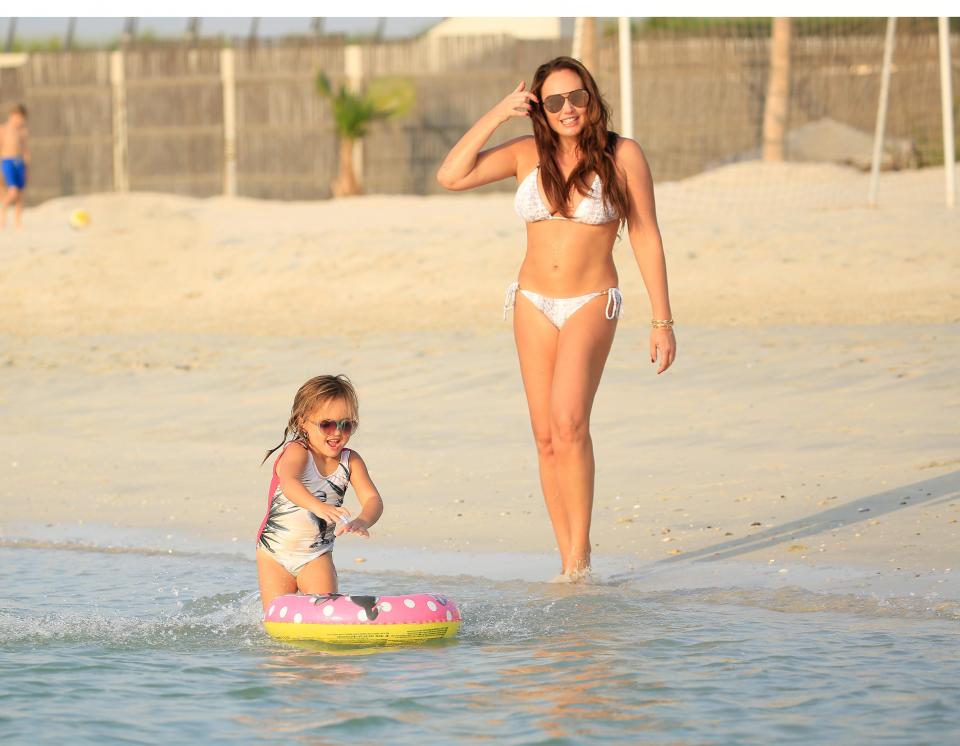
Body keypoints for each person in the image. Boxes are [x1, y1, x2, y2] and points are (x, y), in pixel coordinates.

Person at [436, 56, 676, 580]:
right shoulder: (527, 153)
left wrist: (662, 320)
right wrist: (499, 113)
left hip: (593, 300)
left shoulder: (622, 154)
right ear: (539, 109)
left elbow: (644, 234)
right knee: (545, 435)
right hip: (532, 302)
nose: (568, 109)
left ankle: (581, 556)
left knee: (570, 422)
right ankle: (566, 561)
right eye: (554, 101)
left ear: (592, 98)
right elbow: (451, 175)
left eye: (577, 97)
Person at [256, 374, 383, 611]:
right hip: (275, 553)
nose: (337, 433)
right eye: (327, 424)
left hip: (316, 555)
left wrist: (363, 520)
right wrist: (320, 507)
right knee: (277, 623)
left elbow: (373, 498)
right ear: (303, 422)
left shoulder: (351, 460)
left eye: (346, 425)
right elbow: (289, 483)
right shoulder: (297, 451)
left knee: (324, 613)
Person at [1, 103, 30, 230]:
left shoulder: (23, 131)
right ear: (12, 115)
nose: (20, 121)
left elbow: (25, 149)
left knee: (20, 195)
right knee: (12, 192)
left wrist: (27, 167)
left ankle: (17, 222)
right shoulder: (3, 129)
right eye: (19, 118)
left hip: (20, 162)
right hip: (7, 161)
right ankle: (3, 211)